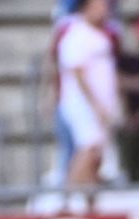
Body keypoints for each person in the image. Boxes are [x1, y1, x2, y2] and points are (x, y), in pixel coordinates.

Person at [58, 0, 121, 185]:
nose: (105, 9)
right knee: (88, 149)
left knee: (97, 157)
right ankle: (71, 199)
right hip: (84, 105)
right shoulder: (77, 35)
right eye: (99, 5)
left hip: (100, 104)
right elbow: (78, 74)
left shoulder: (100, 34)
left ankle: (89, 203)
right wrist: (95, 105)